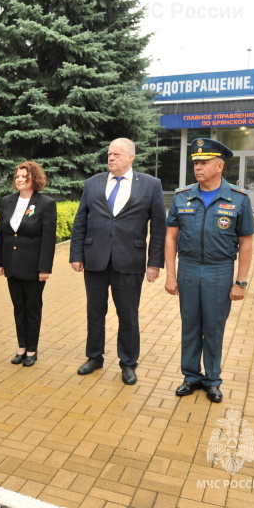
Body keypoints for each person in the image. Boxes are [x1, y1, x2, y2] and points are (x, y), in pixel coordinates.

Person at [164, 138, 254, 403]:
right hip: (189, 269)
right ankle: (191, 376)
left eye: (204, 163)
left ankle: (212, 379)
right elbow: (170, 238)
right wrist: (171, 274)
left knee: (214, 327)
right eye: (195, 162)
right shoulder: (183, 197)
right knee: (190, 324)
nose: (198, 167)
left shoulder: (238, 199)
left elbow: (246, 242)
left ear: (220, 166)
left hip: (219, 270)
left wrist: (241, 282)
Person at [69, 138, 166, 385]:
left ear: (130, 157)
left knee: (128, 316)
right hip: (95, 260)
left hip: (130, 261)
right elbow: (81, 220)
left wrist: (154, 263)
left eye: (117, 155)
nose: (111, 158)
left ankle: (128, 363)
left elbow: (159, 227)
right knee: (95, 312)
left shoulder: (151, 185)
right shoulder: (93, 183)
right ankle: (94, 357)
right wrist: (76, 255)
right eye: (109, 154)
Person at [0, 161, 57, 367]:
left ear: (34, 179)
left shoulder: (45, 203)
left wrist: (44, 268)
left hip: (33, 267)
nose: (20, 180)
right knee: (18, 306)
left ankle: (32, 349)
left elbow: (48, 239)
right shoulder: (7, 201)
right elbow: (0, 234)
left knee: (32, 308)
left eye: (24, 176)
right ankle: (21, 347)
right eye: (17, 177)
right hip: (12, 265)